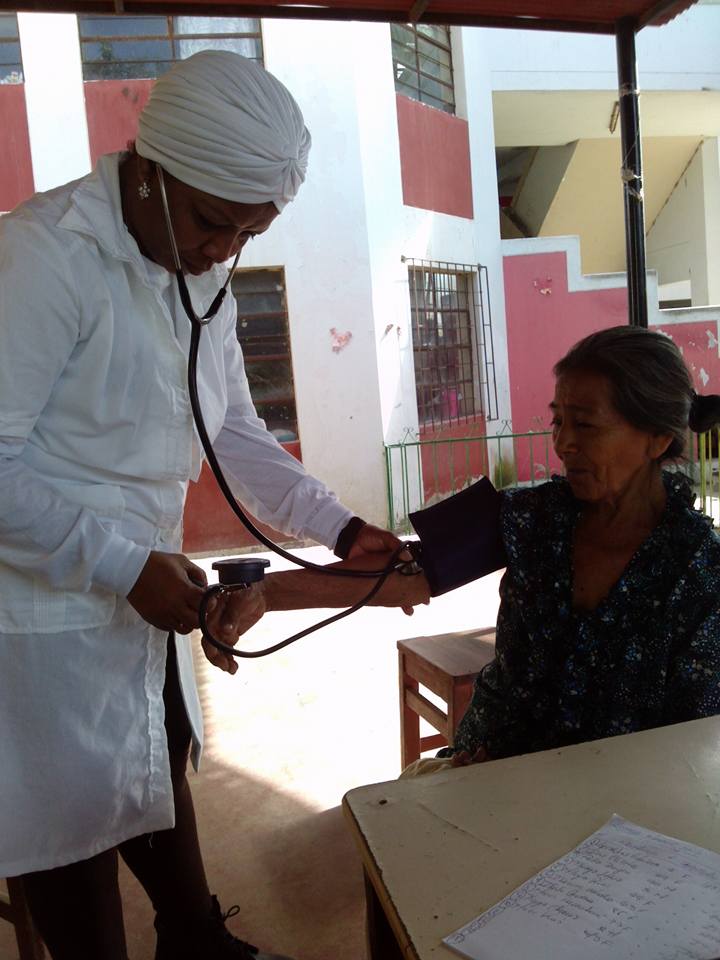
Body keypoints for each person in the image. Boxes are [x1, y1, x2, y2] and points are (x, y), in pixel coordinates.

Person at [0, 51, 414, 960]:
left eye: (246, 233)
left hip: (139, 598)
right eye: (212, 222)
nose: (224, 250)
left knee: (157, 773)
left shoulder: (201, 283)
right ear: (149, 168)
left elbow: (234, 438)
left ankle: (196, 940)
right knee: (75, 857)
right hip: (35, 623)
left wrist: (341, 528)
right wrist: (120, 565)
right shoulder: (44, 254)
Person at [234, 326, 720, 773]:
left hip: (620, 806)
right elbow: (408, 570)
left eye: (587, 426)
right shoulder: (532, 514)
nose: (564, 443)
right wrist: (264, 594)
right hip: (483, 767)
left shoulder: (700, 570)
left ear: (657, 440)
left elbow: (693, 743)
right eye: (558, 422)